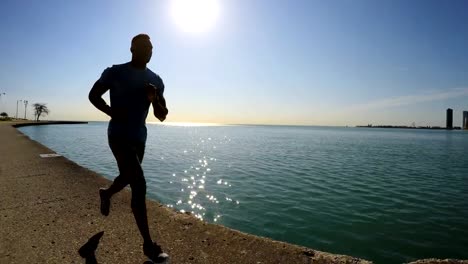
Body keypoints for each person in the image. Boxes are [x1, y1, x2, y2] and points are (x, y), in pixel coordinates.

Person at [88, 34, 169, 263]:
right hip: (118, 135)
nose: (149, 51)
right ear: (132, 48)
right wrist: (111, 112)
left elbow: (162, 116)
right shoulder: (115, 72)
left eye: (152, 48)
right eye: (145, 47)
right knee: (139, 183)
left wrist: (154, 99)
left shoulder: (156, 80)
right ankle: (149, 246)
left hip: (139, 138)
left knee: (128, 177)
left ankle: (107, 193)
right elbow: (93, 95)